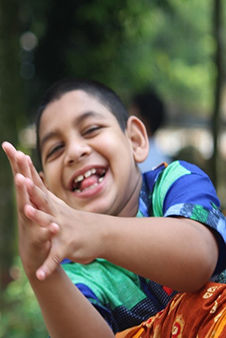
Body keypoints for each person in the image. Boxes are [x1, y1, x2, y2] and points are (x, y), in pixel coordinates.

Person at [2, 78, 226, 337]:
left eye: (91, 129)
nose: (74, 151)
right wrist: (38, 269)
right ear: (46, 188)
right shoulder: (76, 273)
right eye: (56, 149)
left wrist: (92, 232)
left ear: (136, 140)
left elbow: (198, 258)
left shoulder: (175, 182)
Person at [129, 88, 171, 172]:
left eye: (131, 116)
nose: (126, 122)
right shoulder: (164, 161)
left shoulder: (134, 162)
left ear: (142, 122)